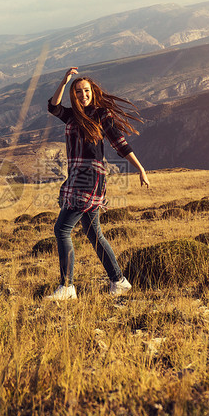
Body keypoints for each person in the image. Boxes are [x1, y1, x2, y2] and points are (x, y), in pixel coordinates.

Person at [45, 67, 150, 300]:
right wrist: (64, 81)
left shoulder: (102, 115)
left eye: (87, 91)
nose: (84, 95)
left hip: (89, 178)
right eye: (79, 91)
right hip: (76, 176)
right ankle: (119, 281)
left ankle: (67, 287)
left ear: (93, 92)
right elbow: (53, 106)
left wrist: (140, 168)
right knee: (94, 234)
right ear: (74, 95)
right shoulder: (72, 115)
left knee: (62, 229)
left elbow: (120, 143)